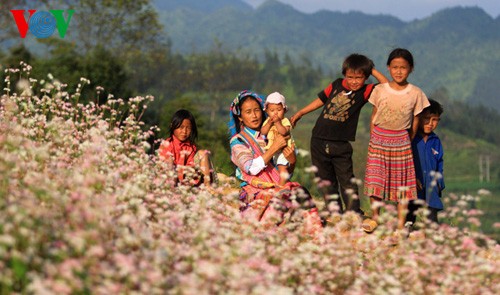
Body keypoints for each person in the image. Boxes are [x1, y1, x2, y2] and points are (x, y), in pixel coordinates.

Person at [290, 53, 388, 220]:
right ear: (344, 75)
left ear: (366, 77)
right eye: (350, 76)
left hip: (340, 144)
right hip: (318, 139)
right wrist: (301, 112)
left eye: (359, 77)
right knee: (324, 179)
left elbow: (387, 86)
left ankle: (353, 213)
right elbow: (321, 100)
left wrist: (371, 69)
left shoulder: (365, 91)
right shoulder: (337, 84)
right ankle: (333, 212)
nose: (354, 81)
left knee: (346, 180)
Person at [362, 48, 430, 233]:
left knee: (402, 186)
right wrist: (372, 137)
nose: (399, 71)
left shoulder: (416, 93)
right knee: (376, 181)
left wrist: (409, 137)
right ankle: (375, 218)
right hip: (378, 139)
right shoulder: (380, 89)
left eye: (403, 67)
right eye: (395, 67)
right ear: (388, 68)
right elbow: (374, 114)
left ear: (411, 69)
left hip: (401, 140)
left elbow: (416, 119)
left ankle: (400, 225)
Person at [229, 90, 320, 226]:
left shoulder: (271, 134)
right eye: (248, 112)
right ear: (240, 117)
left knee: (300, 192)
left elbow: (284, 174)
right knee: (281, 198)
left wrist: (292, 160)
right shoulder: (238, 141)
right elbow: (250, 168)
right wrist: (274, 148)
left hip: (278, 186)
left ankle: (314, 232)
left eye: (257, 110)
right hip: (255, 191)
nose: (254, 116)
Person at [406, 99, 445, 226]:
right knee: (409, 217)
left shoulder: (436, 141)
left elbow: (439, 162)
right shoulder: (410, 138)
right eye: (426, 119)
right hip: (412, 187)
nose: (430, 124)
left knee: (432, 221)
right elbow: (405, 160)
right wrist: (412, 178)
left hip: (431, 188)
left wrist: (439, 183)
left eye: (435, 120)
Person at [158, 109, 216, 186]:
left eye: (188, 128)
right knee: (169, 161)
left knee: (203, 153)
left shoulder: (191, 147)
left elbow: (190, 166)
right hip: (169, 180)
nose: (184, 131)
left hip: (187, 181)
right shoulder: (166, 144)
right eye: (181, 127)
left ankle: (208, 187)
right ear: (172, 126)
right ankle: (171, 189)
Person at [261, 92, 296, 186]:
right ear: (267, 112)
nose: (275, 113)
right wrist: (268, 124)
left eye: (279, 110)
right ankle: (280, 183)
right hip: (274, 150)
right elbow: (263, 132)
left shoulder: (285, 121)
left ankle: (280, 187)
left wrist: (277, 123)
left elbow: (284, 132)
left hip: (284, 150)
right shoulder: (267, 121)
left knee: (282, 169)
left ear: (284, 110)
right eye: (272, 110)